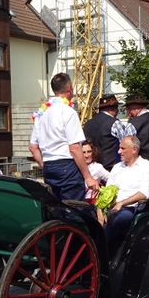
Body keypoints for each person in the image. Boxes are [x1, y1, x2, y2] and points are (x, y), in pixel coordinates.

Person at [29, 72, 99, 201]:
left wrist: (45, 165)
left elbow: (33, 147)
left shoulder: (42, 113)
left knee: (55, 208)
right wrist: (88, 177)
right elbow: (74, 148)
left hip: (49, 166)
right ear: (69, 89)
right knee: (74, 209)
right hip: (66, 165)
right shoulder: (68, 111)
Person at [103, 135, 149, 264]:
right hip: (112, 207)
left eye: (122, 148)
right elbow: (107, 191)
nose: (118, 151)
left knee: (117, 219)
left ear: (134, 150)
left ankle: (104, 256)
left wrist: (122, 203)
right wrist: (101, 209)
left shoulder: (146, 166)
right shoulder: (117, 167)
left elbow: (144, 193)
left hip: (131, 208)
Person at [83, 94, 133, 170]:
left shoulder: (87, 124)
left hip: (92, 167)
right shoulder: (115, 123)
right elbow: (126, 144)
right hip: (111, 167)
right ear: (114, 109)